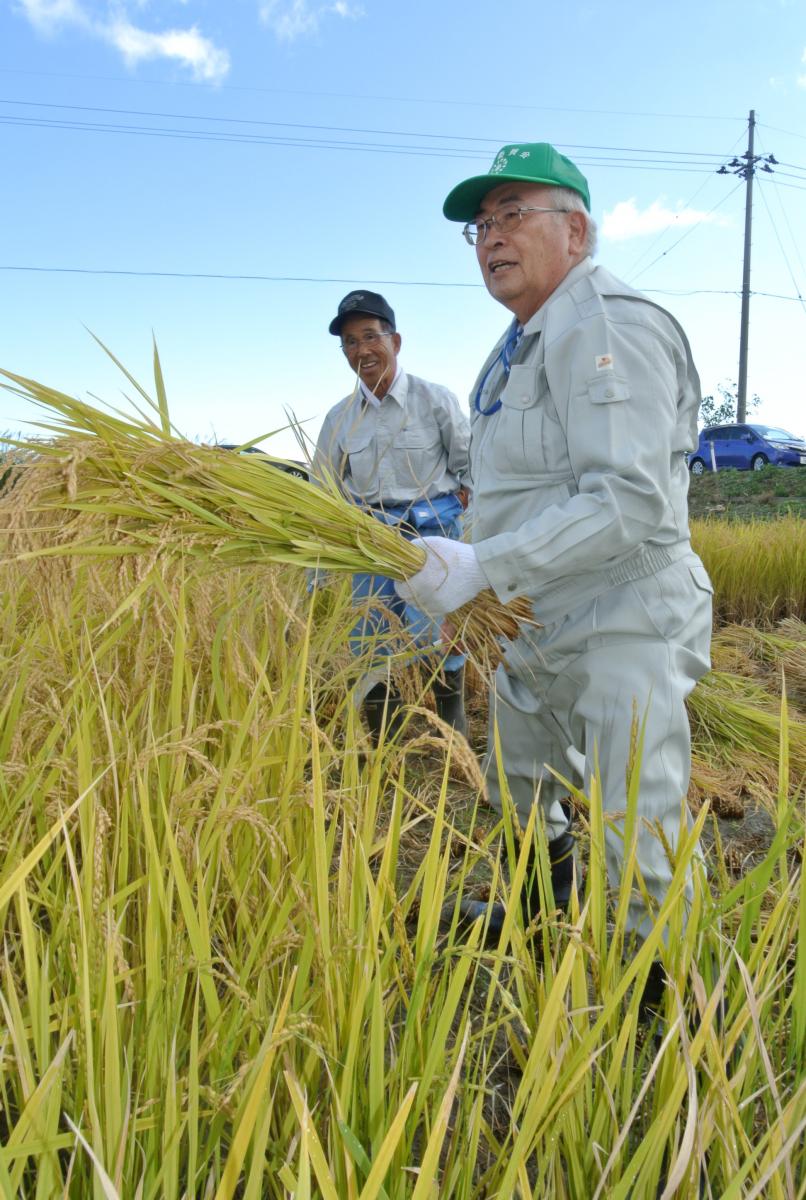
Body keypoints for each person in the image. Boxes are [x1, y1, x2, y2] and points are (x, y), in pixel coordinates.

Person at [396, 144, 713, 1008]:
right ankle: (543, 916)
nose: (491, 237)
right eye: (481, 224)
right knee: (522, 788)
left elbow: (632, 500)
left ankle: (663, 1006)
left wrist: (486, 565)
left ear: (575, 229)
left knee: (632, 823)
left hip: (623, 617)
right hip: (536, 618)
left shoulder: (609, 327)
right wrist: (477, 590)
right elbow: (510, 493)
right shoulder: (517, 349)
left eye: (512, 216)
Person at [311, 289, 472, 744]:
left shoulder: (434, 400)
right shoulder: (339, 420)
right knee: (370, 639)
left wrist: (460, 509)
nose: (362, 350)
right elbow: (324, 489)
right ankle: (387, 741)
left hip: (434, 537)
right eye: (349, 342)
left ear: (395, 341)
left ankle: (451, 724)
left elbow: (471, 464)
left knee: (442, 634)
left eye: (370, 336)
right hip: (370, 543)